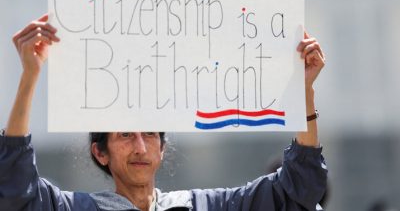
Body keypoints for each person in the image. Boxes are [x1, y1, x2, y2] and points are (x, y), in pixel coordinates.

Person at [0, 14, 327, 211]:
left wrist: (304, 94)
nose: (141, 147)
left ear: (163, 147)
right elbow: (16, 190)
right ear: (100, 152)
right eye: (126, 135)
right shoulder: (78, 208)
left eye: (150, 134)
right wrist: (30, 75)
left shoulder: (200, 206)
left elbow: (297, 191)